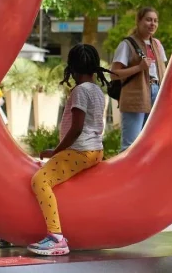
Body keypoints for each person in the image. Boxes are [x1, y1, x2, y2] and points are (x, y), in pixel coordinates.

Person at [28, 44, 109, 256]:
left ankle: (56, 237)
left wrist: (56, 151)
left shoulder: (80, 91)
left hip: (80, 150)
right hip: (95, 150)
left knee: (40, 180)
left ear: (72, 68)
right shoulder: (97, 91)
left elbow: (77, 127)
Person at [110, 7, 168, 151]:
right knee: (130, 145)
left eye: (155, 21)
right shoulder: (127, 44)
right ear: (138, 21)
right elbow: (114, 74)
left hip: (157, 92)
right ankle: (125, 173)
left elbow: (164, 71)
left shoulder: (157, 45)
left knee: (150, 143)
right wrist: (139, 67)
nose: (152, 24)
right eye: (148, 20)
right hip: (135, 94)